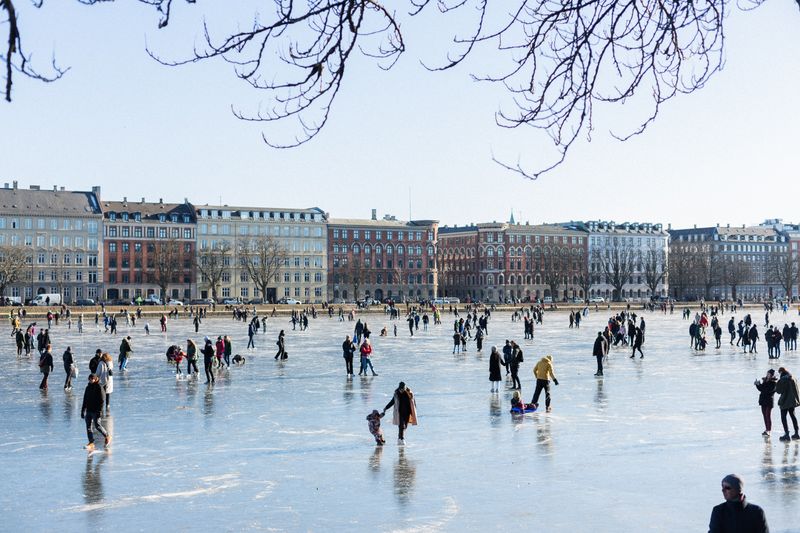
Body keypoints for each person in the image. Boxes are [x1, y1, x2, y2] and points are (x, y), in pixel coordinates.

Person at [81, 374, 111, 451]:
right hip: (89, 410)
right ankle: (91, 442)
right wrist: (83, 410)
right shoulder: (88, 388)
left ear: (95, 379)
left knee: (97, 425)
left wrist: (99, 411)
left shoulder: (99, 387)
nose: (90, 380)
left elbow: (102, 400)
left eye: (92, 379)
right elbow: (85, 399)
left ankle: (107, 436)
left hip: (96, 411)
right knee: (88, 427)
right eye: (89, 379)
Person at [775, 367, 800, 441]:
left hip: (785, 401)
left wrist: (777, 382)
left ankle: (786, 434)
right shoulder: (793, 378)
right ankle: (796, 433)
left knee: (783, 417)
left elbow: (778, 391)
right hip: (792, 401)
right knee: (793, 416)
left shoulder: (783, 379)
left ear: (781, 372)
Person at [754, 369, 778, 437]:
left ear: (772, 375)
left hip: (769, 401)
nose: (768, 375)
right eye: (767, 374)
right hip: (763, 400)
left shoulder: (774, 383)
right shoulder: (765, 381)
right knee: (764, 416)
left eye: (769, 374)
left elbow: (767, 390)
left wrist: (760, 386)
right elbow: (761, 389)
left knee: (768, 416)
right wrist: (757, 384)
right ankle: (766, 429)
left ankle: (769, 430)